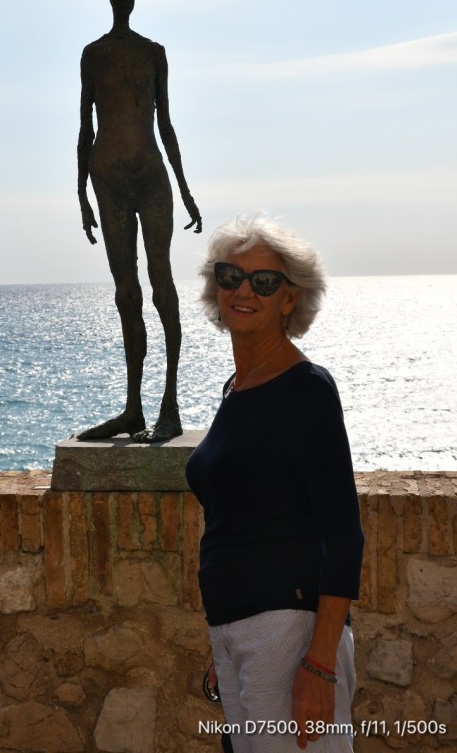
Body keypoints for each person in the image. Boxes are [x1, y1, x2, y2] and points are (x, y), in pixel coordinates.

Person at [185, 215, 363, 751]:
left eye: (264, 281)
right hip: (240, 632)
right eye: (230, 275)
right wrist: (226, 644)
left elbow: (344, 532)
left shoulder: (304, 389)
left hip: (287, 633)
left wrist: (320, 666)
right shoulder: (239, 389)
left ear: (290, 300)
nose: (243, 291)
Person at [76, 0, 201, 443]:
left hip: (150, 176)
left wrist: (184, 188)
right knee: (126, 291)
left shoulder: (154, 53)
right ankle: (133, 409)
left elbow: (166, 123)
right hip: (108, 179)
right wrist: (81, 193)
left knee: (161, 281)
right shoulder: (93, 55)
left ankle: (170, 405)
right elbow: (85, 127)